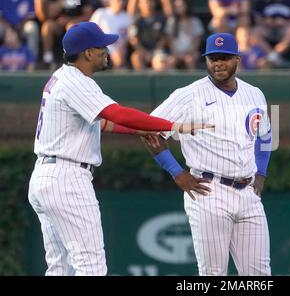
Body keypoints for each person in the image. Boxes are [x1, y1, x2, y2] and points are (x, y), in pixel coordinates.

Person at [28, 21, 210, 276]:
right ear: (88, 53)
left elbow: (102, 124)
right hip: (66, 178)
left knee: (60, 268)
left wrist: (142, 129)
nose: (107, 50)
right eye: (102, 46)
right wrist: (173, 125)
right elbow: (117, 114)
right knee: (91, 266)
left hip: (47, 176)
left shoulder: (61, 77)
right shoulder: (76, 81)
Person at [141, 33, 272, 276]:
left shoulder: (255, 93)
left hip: (248, 191)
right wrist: (176, 172)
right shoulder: (188, 95)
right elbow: (149, 131)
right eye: (213, 58)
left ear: (237, 59)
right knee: (213, 273)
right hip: (208, 189)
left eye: (224, 58)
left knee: (259, 274)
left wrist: (261, 172)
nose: (218, 63)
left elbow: (265, 135)